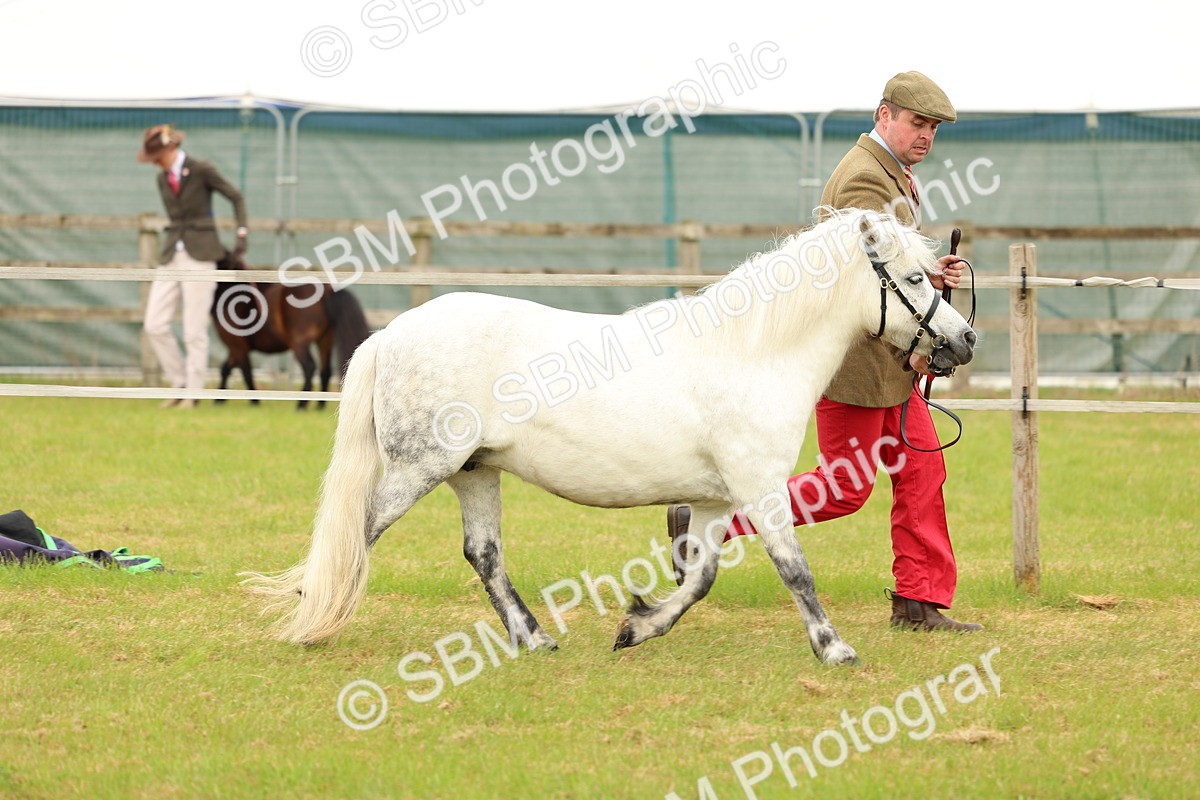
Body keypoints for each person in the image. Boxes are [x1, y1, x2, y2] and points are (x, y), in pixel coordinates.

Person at [666, 71, 982, 632]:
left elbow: (887, 267)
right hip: (862, 366)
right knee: (842, 488)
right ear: (885, 115)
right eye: (917, 123)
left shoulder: (890, 173)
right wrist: (916, 340)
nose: (926, 135)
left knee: (922, 470)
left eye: (933, 127)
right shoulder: (864, 180)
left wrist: (930, 273)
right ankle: (705, 522)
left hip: (892, 366)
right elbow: (858, 279)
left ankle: (918, 601)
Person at [138, 124, 248, 408]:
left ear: (171, 148)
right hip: (171, 254)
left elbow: (235, 197)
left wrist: (241, 233)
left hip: (201, 255)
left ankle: (194, 394)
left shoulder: (201, 169)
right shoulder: (161, 180)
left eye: (157, 155)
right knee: (154, 324)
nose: (155, 162)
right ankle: (179, 383)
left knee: (193, 330)